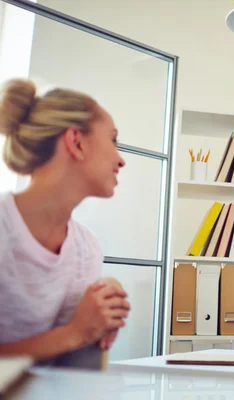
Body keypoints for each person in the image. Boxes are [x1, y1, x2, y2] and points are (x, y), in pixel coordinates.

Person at [0, 79, 130, 363]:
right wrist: (76, 332)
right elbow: (75, 335)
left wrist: (105, 302)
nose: (122, 160)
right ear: (76, 142)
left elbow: (68, 358)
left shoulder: (86, 249)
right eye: (112, 139)